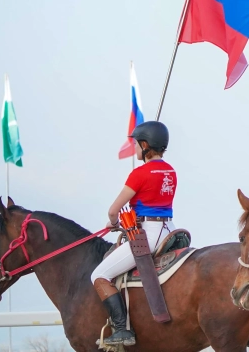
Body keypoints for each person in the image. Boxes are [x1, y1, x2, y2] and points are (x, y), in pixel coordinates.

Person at [89, 121, 176, 347]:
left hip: (148, 233)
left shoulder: (139, 173)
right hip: (170, 229)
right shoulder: (171, 171)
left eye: (137, 144)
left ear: (146, 145)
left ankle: (121, 329)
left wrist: (112, 222)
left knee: (98, 276)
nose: (136, 149)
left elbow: (113, 210)